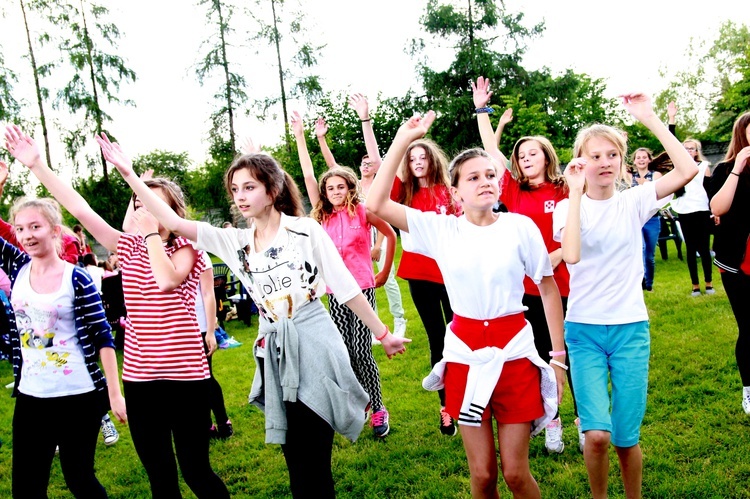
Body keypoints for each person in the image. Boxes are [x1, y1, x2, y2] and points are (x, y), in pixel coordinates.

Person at [94, 133, 410, 498]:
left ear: (272, 190)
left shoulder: (305, 230)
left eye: (248, 187)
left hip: (314, 339)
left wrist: (383, 333)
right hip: (274, 347)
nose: (240, 196)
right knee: (293, 454)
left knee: (316, 451)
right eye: (234, 190)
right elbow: (174, 222)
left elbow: (345, 286)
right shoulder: (236, 243)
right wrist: (131, 175)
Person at [5, 125, 230, 499]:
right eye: (139, 203)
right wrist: (38, 166)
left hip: (187, 379)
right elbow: (80, 207)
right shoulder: (127, 247)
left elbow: (166, 281)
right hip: (141, 382)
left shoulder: (188, 247)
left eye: (152, 205)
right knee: (160, 476)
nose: (143, 211)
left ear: (173, 212)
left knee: (195, 472)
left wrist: (151, 233)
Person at [367, 111, 565, 498]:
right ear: (455, 192)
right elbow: (376, 201)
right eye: (473, 177)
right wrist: (403, 140)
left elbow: (547, 287)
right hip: (465, 356)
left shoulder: (519, 227)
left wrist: (556, 356)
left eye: (490, 175)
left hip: (515, 354)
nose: (485, 182)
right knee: (483, 476)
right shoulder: (441, 229)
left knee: (516, 473)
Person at [553, 93, 697, 499]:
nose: (603, 162)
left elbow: (686, 169)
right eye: (593, 155)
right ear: (578, 161)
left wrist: (650, 119)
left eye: (611, 154)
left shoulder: (635, 200)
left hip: (631, 329)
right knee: (596, 435)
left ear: (621, 160)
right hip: (584, 332)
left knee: (625, 438)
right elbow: (573, 255)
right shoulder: (566, 207)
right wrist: (576, 192)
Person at [472, 76, 579, 455]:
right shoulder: (514, 190)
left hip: (567, 285)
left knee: (571, 355)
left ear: (547, 156)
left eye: (532, 153)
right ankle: (552, 420)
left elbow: (578, 232)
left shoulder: (566, 188)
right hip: (528, 290)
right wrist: (482, 109)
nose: (525, 159)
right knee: (539, 358)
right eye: (520, 156)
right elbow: (490, 151)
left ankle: (584, 421)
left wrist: (553, 257)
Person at [0, 196, 126, 498]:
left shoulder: (77, 277)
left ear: (55, 231)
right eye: (20, 229)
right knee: (26, 488)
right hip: (31, 396)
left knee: (79, 479)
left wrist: (114, 393)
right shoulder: (18, 268)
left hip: (77, 396)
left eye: (35, 226)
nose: (27, 235)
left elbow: (102, 337)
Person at [293, 110, 398, 438]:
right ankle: (362, 400)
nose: (335, 190)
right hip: (335, 292)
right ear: (324, 192)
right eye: (330, 187)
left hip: (363, 287)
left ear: (349, 187)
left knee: (363, 348)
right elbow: (309, 174)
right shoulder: (321, 215)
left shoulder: (362, 211)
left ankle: (379, 407)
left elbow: (391, 234)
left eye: (341, 186)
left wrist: (382, 271)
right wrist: (301, 135)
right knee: (344, 350)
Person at [388, 120, 461, 435]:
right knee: (438, 339)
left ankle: (472, 399)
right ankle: (446, 408)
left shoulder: (450, 191)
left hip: (454, 272)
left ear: (433, 160)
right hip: (420, 276)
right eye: (412, 159)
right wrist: (368, 123)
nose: (417, 163)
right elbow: (381, 168)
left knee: (463, 334)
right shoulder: (402, 191)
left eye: (423, 158)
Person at [314, 94, 408, 339]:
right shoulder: (348, 185)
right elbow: (332, 168)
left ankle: (397, 320)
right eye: (363, 163)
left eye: (369, 163)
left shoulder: (376, 185)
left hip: (373, 235)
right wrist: (321, 139)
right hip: (352, 240)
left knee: (386, 281)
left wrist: (377, 246)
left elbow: (385, 227)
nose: (367, 166)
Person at [708, 111, 750, 415]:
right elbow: (717, 207)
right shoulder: (725, 169)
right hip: (738, 260)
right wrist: (737, 169)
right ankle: (749, 388)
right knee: (749, 328)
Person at [668, 103, 714, 296]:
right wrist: (672, 119)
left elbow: (711, 191)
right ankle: (695, 285)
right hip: (684, 210)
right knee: (691, 248)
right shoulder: (677, 166)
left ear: (696, 151)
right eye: (684, 148)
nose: (688, 151)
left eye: (691, 148)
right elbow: (670, 140)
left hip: (701, 210)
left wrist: (714, 211)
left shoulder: (704, 166)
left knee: (704, 248)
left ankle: (709, 283)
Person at [194, 251, 233, 439]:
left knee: (205, 377)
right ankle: (205, 423)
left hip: (200, 324)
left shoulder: (198, 252)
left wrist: (210, 330)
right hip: (177, 327)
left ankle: (222, 420)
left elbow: (208, 293)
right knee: (191, 382)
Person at [630, 147, 662, 291]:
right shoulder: (629, 176)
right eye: (638, 157)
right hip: (635, 219)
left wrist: (645, 186)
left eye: (644, 157)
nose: (641, 160)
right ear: (634, 161)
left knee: (649, 254)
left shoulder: (655, 176)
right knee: (639, 249)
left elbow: (656, 195)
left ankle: (649, 284)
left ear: (649, 159)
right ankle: (639, 282)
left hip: (652, 219)